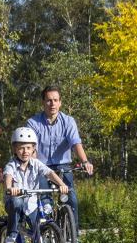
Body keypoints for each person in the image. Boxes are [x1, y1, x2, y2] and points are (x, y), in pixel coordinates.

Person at [25, 86, 94, 230]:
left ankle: (73, 237)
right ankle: (47, 233)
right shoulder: (33, 123)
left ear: (60, 103)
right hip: (42, 166)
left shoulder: (68, 121)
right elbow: (32, 149)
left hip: (63, 166)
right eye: (49, 100)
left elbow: (75, 143)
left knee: (70, 198)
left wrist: (85, 161)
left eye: (55, 100)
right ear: (43, 102)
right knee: (45, 202)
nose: (52, 104)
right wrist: (35, 165)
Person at [2, 127, 68, 243]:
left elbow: (49, 173)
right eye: (21, 148)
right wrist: (10, 188)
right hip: (14, 203)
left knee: (38, 229)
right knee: (16, 201)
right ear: (15, 149)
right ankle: (11, 235)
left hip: (32, 204)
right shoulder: (11, 165)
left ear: (33, 149)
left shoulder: (36, 163)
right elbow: (8, 177)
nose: (25, 151)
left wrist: (61, 184)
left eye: (28, 148)